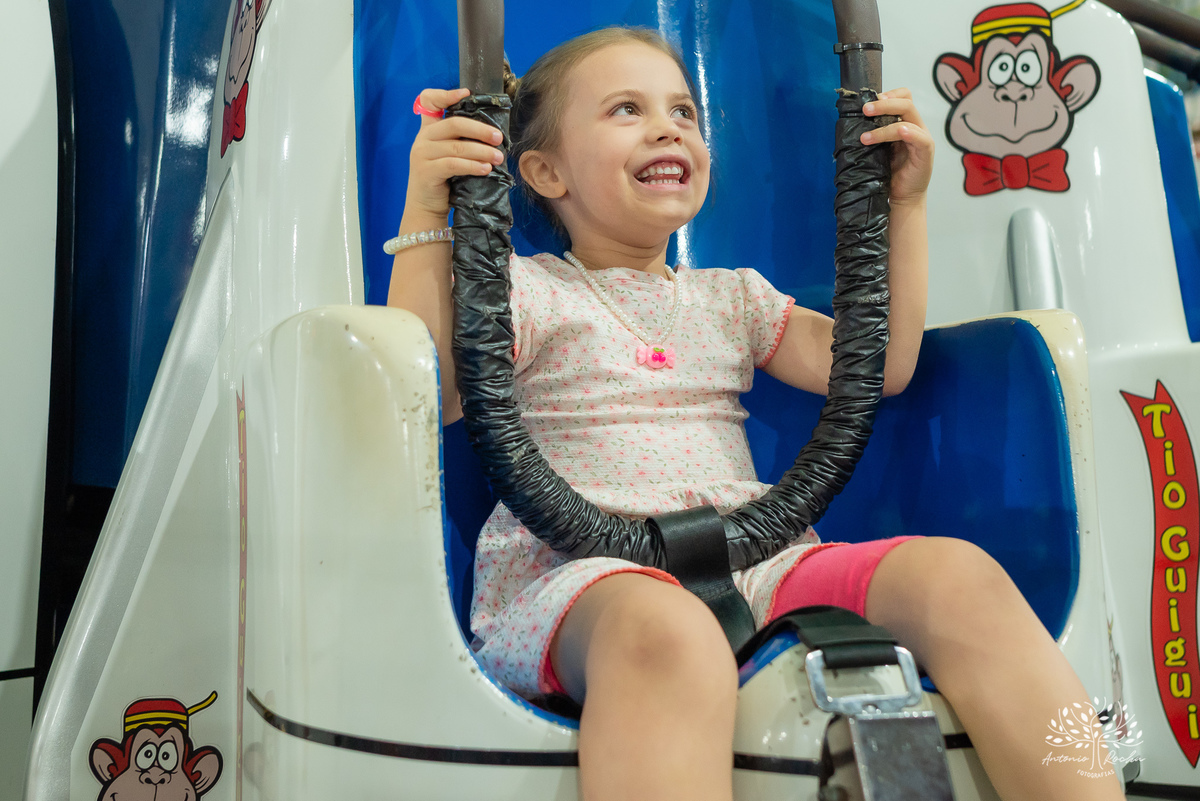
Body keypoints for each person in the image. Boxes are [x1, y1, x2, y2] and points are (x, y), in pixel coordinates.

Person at [387, 26, 1124, 801]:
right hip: (589, 575)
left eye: (682, 111)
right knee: (668, 632)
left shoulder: (732, 297)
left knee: (958, 576)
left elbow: (880, 368)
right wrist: (430, 207)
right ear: (544, 170)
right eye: (626, 110)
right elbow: (426, 393)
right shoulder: (528, 290)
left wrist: (901, 207)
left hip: (757, 565)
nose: (668, 126)